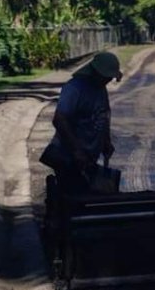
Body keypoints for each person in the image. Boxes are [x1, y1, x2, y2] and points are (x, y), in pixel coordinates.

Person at [42, 52, 121, 194]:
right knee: (74, 199)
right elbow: (59, 119)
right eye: (106, 77)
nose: (108, 80)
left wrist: (106, 141)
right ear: (95, 72)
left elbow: (103, 115)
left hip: (88, 158)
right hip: (68, 157)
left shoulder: (101, 89)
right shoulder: (74, 89)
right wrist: (76, 150)